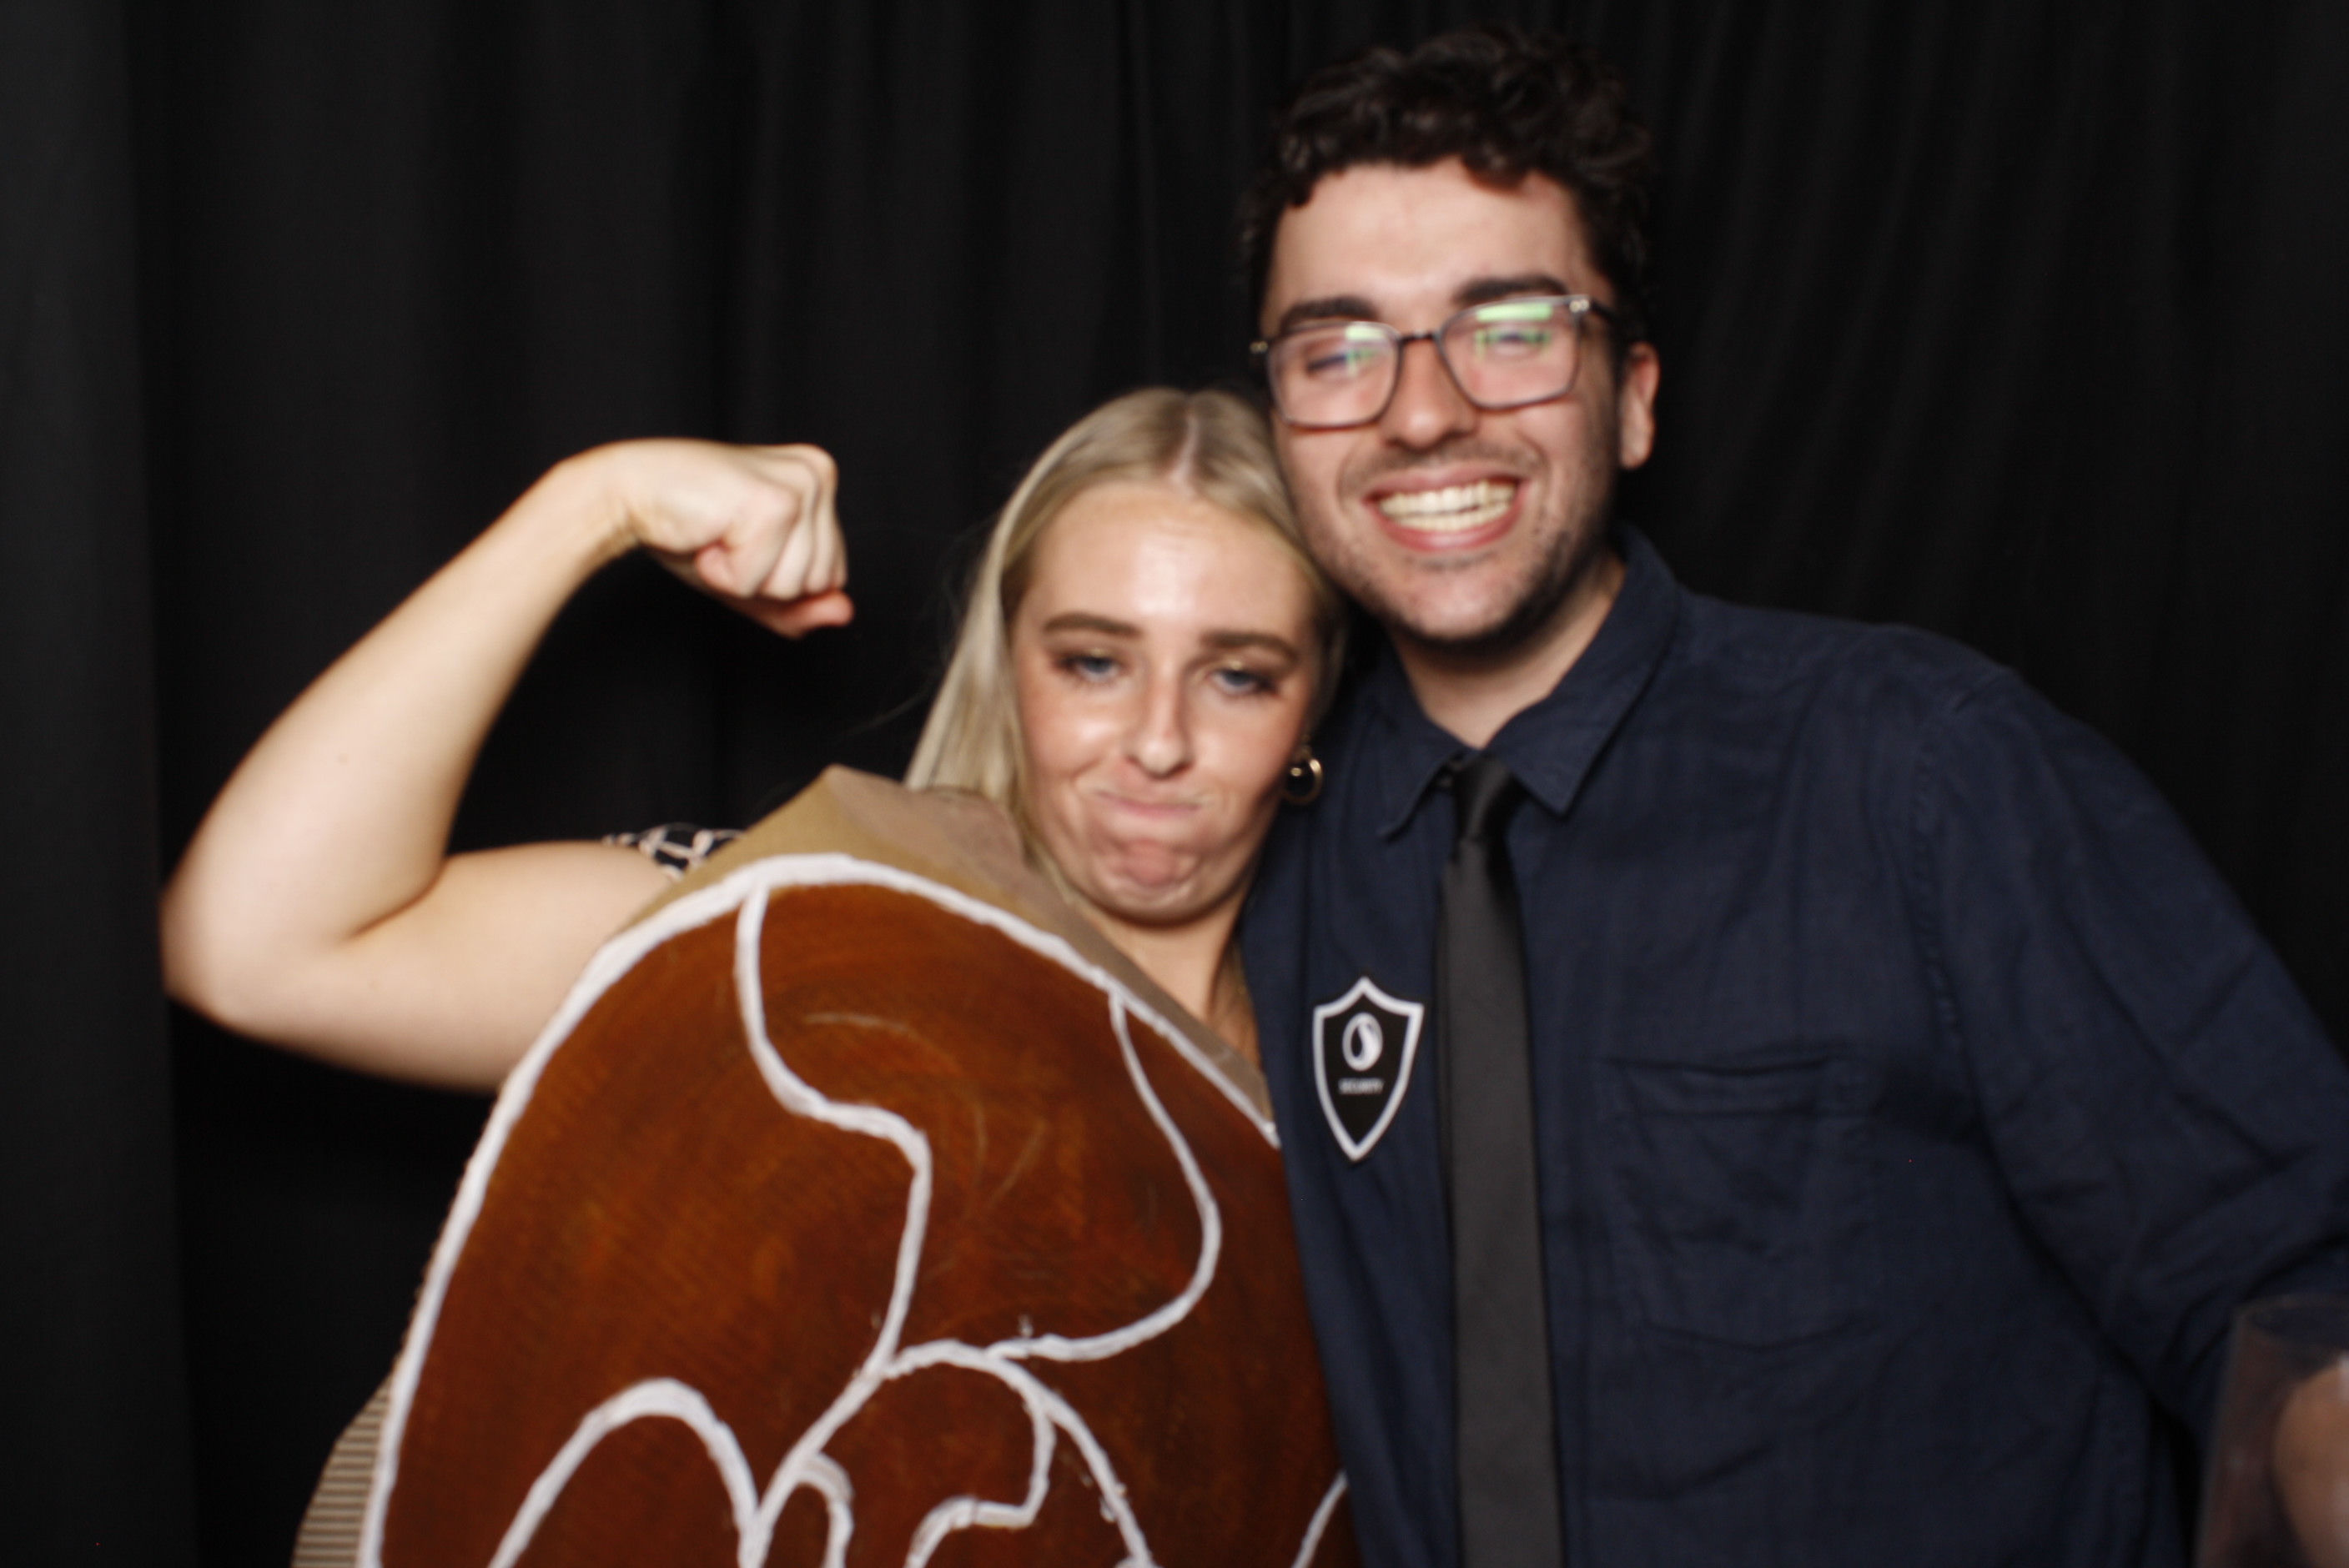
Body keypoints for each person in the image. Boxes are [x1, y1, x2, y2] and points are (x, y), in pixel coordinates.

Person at [1230, 24, 2349, 1568]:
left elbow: (2295, 1290)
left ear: (1631, 396)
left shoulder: (1928, 779)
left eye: (1508, 327)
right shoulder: (1264, 845)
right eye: (1338, 349)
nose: (1420, 414)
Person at [162, 386, 1343, 1089]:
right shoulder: (806, 935)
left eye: (1237, 677)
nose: (1156, 741)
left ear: (1315, 706)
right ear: (1011, 670)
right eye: (1094, 662)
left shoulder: (1379, 1050)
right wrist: (592, 505)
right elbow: (257, 949)